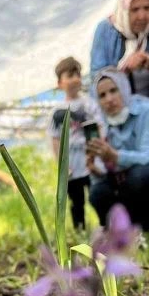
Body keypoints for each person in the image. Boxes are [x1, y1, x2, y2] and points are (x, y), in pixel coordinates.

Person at [85, 68, 149, 231]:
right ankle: (121, 231)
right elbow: (109, 174)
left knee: (138, 175)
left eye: (113, 90)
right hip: (131, 188)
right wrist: (97, 171)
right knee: (98, 191)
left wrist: (115, 156)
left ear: (124, 89)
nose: (109, 99)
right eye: (102, 96)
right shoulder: (105, 124)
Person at [90, 0, 149, 108]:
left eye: (147, 8)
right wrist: (125, 68)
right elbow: (96, 76)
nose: (142, 16)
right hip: (121, 107)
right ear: (124, 10)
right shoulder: (105, 30)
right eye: (135, 10)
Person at [47, 57, 104, 229]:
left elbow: (100, 128)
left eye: (77, 74)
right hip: (71, 163)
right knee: (76, 200)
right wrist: (62, 165)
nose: (74, 79)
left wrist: (96, 155)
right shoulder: (57, 111)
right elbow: (55, 138)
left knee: (98, 194)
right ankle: (80, 230)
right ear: (60, 83)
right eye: (69, 75)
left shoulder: (90, 104)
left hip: (90, 159)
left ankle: (105, 225)